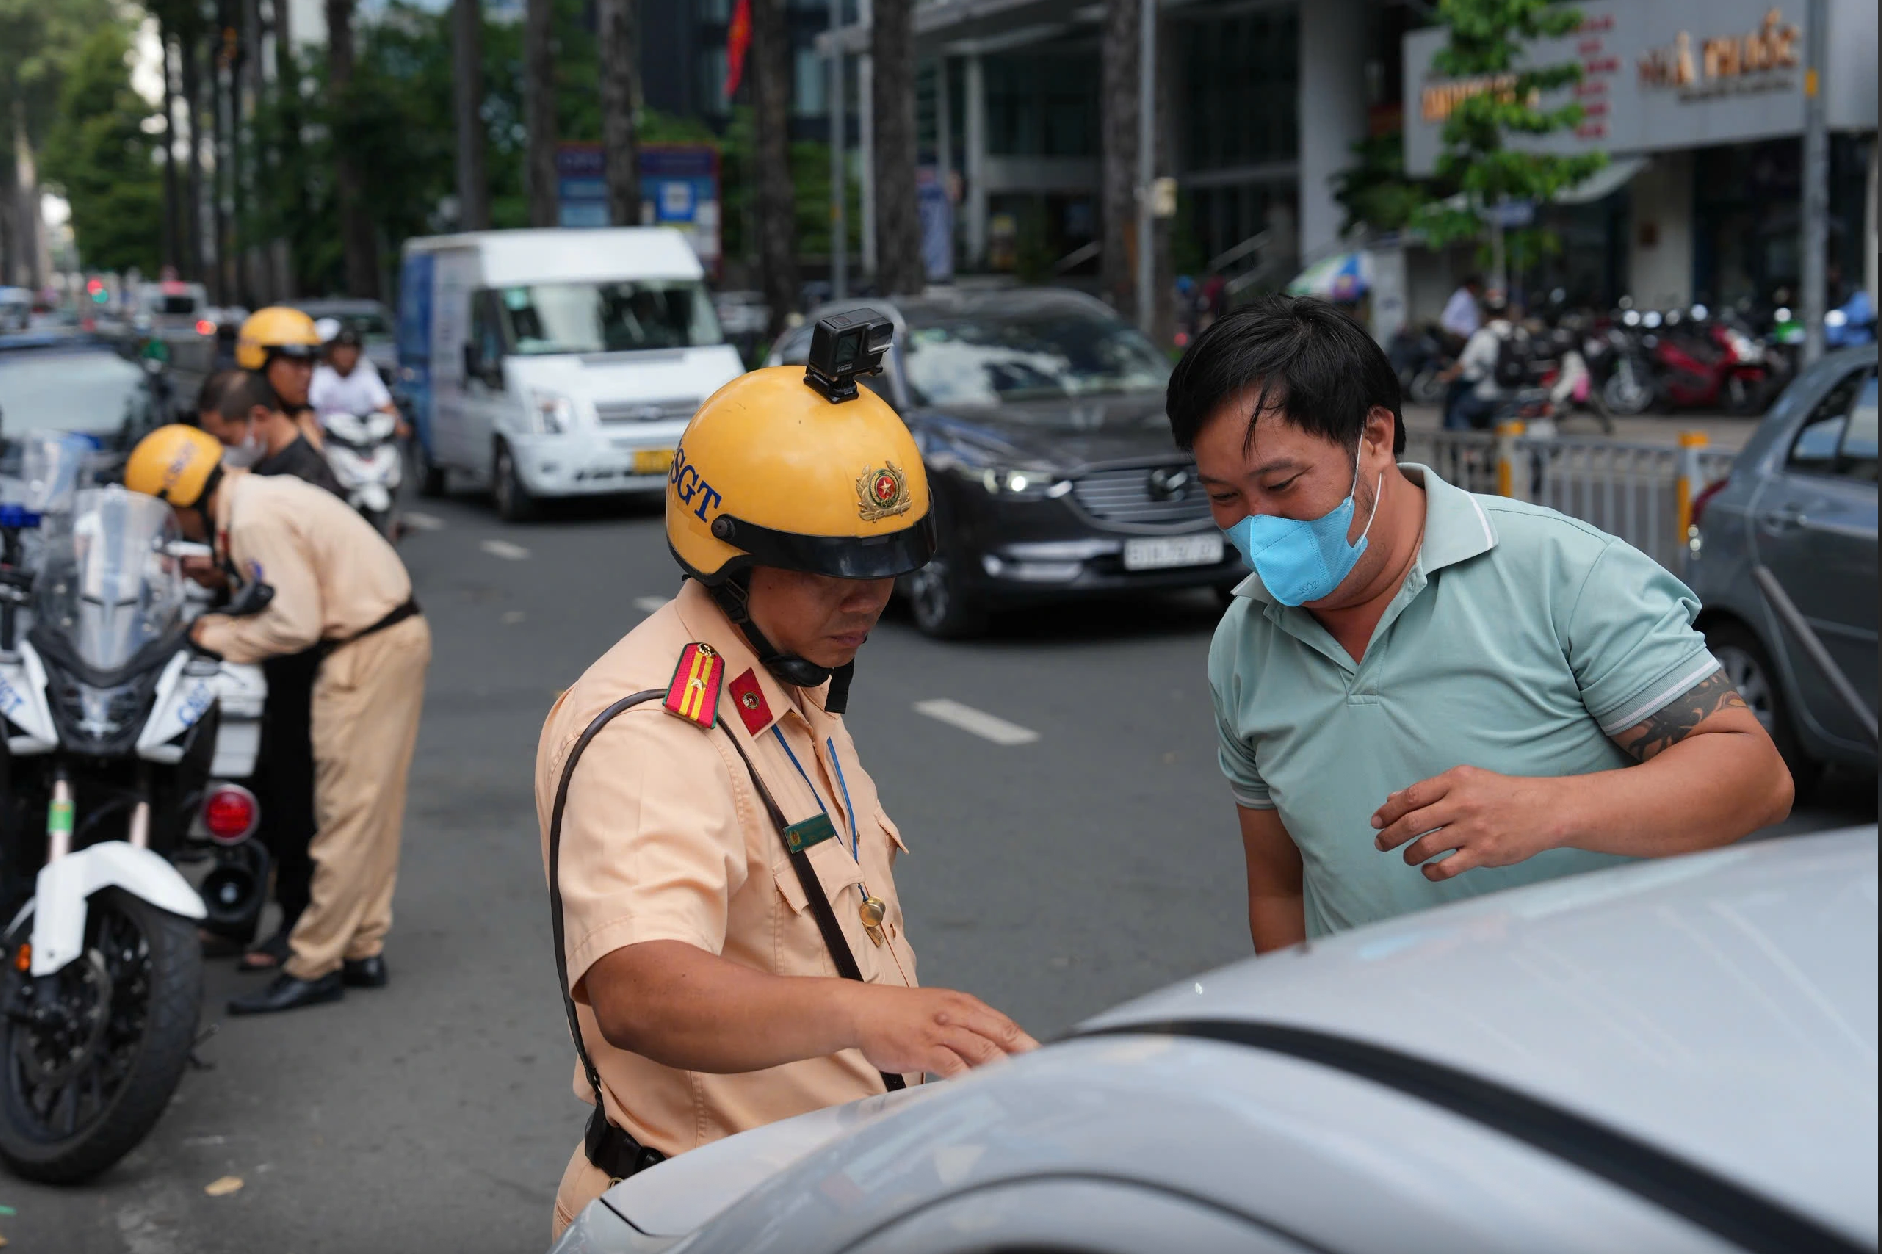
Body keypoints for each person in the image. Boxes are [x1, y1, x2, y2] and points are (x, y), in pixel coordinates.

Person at [537, 360, 1036, 1239]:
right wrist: (871, 1019)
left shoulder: (784, 676)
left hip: (818, 1199)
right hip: (709, 1214)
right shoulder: (655, 733)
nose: (870, 599)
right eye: (829, 571)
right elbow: (640, 991)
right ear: (729, 553)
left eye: (885, 568)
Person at [1171, 296, 1793, 952]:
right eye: (1224, 498)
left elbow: (1754, 777)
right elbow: (1278, 889)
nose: (1258, 524)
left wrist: (1548, 811)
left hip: (1589, 1030)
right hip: (1378, 1036)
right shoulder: (1244, 642)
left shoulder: (1562, 574)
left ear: (1374, 439)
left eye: (1283, 483)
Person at [124, 425, 431, 1012]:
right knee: (373, 806)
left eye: (167, 514)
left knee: (345, 811)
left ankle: (315, 963)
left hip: (364, 651)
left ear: (183, 499)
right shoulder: (254, 499)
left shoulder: (250, 521)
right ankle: (362, 946)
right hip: (391, 636)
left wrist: (208, 632)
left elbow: (294, 624)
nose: (172, 530)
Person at [195, 371, 342, 970]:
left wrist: (220, 625)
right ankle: (240, 912)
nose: (225, 448)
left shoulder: (300, 476)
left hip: (300, 662)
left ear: (256, 419)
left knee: (296, 796)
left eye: (226, 434)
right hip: (272, 658)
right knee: (253, 787)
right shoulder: (260, 479)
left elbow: (294, 603)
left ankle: (300, 924)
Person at [236, 306, 325, 448]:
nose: (307, 374)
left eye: (310, 363)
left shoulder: (307, 421)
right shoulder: (239, 427)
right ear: (262, 364)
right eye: (296, 362)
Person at [1440, 292, 1516, 430]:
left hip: (1487, 395)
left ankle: (1467, 449)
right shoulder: (1518, 333)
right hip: (1513, 395)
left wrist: (1446, 376)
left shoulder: (1482, 336)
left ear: (1485, 313)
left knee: (1458, 411)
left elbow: (1461, 366)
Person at [310, 324, 404, 431]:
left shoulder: (367, 376)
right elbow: (310, 411)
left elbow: (386, 406)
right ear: (332, 352)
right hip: (330, 440)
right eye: (342, 349)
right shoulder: (320, 377)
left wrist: (399, 424)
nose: (347, 355)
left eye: (351, 349)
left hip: (365, 438)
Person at [1439, 274, 1483, 340]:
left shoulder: (1469, 297)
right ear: (1471, 286)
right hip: (1462, 339)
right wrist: (1461, 334)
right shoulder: (1461, 298)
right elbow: (1447, 320)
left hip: (1470, 337)